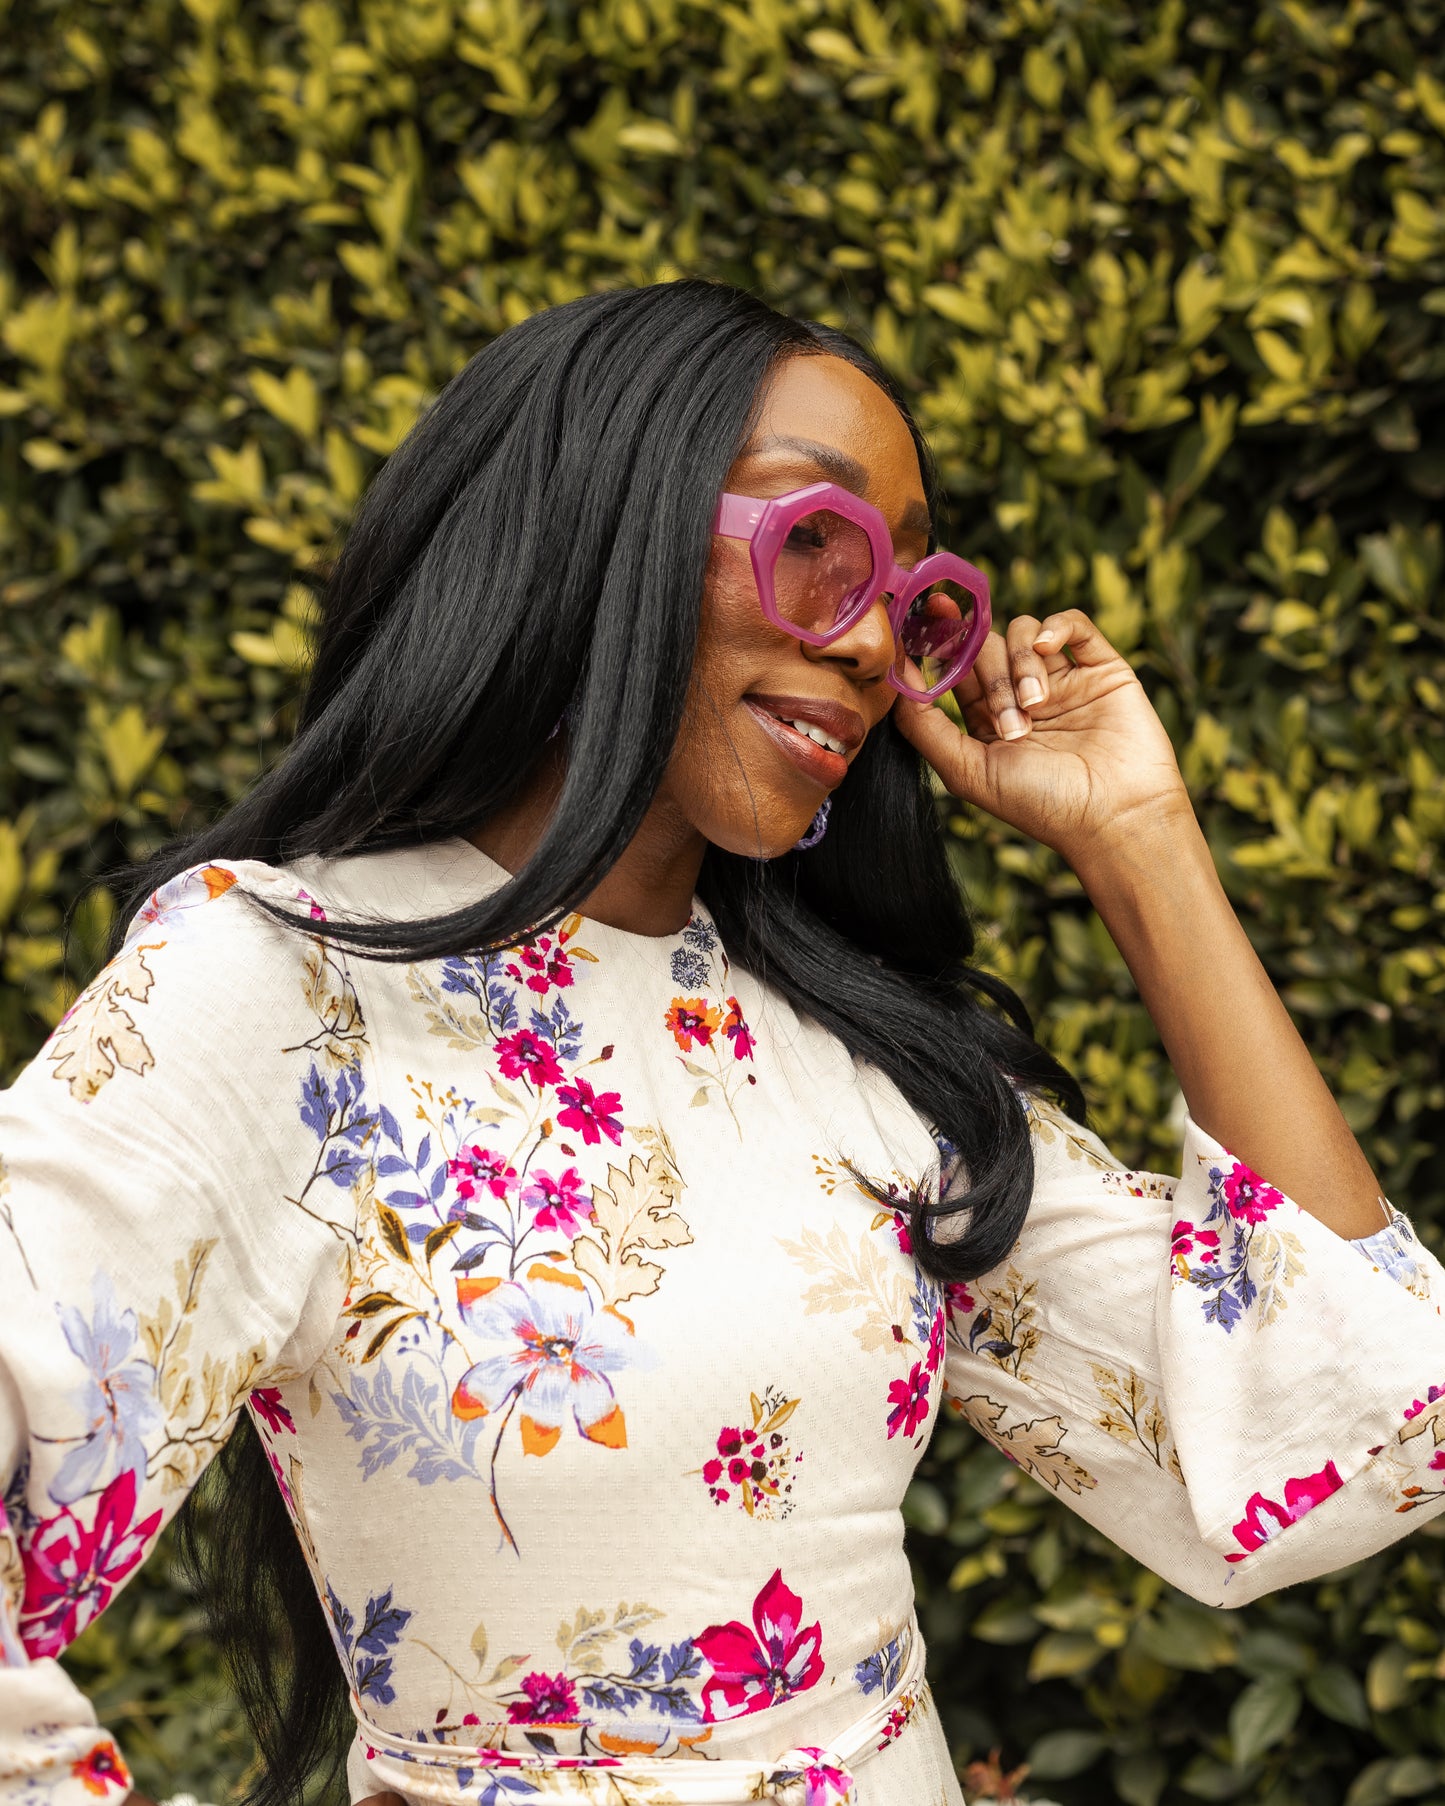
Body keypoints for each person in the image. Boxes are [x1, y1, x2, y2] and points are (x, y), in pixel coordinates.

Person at [2, 280, 1441, 1806]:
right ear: (596, 515)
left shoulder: (855, 1056)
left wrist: (1145, 848)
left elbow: (1348, 1429)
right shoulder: (287, 989)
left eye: (907, 591)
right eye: (815, 539)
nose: (879, 640)